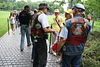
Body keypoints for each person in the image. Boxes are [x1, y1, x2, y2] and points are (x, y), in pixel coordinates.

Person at [31, 3, 56, 67]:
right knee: (42, 58)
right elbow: (46, 29)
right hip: (40, 39)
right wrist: (53, 30)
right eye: (46, 9)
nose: (47, 10)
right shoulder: (43, 15)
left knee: (36, 57)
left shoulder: (35, 15)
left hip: (34, 38)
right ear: (44, 8)